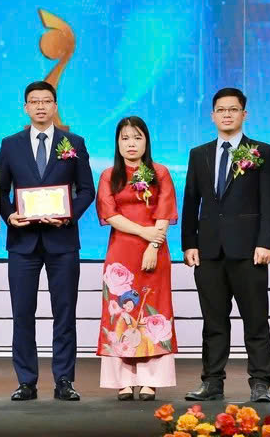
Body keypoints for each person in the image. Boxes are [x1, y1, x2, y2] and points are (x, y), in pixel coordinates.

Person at [0, 81, 95, 401]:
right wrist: (9, 215)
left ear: (55, 106)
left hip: (62, 241)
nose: (40, 106)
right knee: (22, 313)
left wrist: (68, 215)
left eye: (46, 101)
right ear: (25, 107)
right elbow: (0, 190)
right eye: (34, 101)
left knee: (64, 314)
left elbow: (87, 190)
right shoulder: (10, 144)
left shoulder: (74, 142)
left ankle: (64, 380)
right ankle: (26, 381)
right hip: (22, 242)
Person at [181, 87, 270, 402]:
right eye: (221, 110)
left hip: (249, 251)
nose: (227, 115)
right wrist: (189, 243)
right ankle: (212, 382)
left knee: (256, 320)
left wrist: (266, 243)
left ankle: (260, 382)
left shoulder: (262, 151)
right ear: (212, 115)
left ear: (244, 114)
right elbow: (191, 201)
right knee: (213, 322)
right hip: (209, 251)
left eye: (233, 109)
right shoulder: (199, 154)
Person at [96, 116, 178, 401]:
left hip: (154, 250)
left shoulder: (160, 172)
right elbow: (109, 214)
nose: (131, 143)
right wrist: (144, 232)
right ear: (117, 143)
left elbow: (164, 211)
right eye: (125, 138)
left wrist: (153, 245)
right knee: (120, 312)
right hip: (121, 253)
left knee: (153, 310)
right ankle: (123, 380)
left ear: (146, 141)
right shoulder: (109, 175)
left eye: (137, 137)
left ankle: (150, 380)